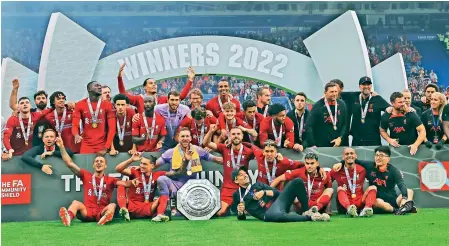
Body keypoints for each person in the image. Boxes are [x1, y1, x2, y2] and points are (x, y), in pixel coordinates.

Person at [56, 137, 138, 226]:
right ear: (93, 165)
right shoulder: (86, 176)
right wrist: (61, 147)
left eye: (101, 162)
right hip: (87, 212)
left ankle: (105, 218)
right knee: (75, 203)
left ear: (105, 166)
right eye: (96, 161)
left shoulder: (110, 180)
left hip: (101, 212)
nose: (98, 163)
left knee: (112, 205)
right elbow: (69, 163)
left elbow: (125, 183)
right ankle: (68, 218)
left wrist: (132, 182)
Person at [152, 128, 223, 222]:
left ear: (190, 138)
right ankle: (162, 212)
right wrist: (141, 167)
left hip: (192, 187)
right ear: (178, 138)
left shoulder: (197, 150)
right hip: (176, 185)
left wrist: (229, 158)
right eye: (182, 136)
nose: (185, 138)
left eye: (187, 136)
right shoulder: (171, 152)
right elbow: (154, 165)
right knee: (162, 179)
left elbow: (215, 159)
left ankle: (188, 210)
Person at [333, 146, 416, 215]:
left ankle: (404, 206)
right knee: (378, 202)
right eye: (376, 155)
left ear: (388, 159)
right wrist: (341, 163)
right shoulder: (369, 166)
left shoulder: (394, 171)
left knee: (409, 191)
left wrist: (404, 197)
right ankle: (398, 210)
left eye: (381, 155)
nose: (378, 158)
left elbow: (401, 184)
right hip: (377, 201)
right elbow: (352, 159)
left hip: (393, 200)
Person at [231, 166, 330, 222]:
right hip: (267, 214)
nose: (245, 175)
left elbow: (278, 193)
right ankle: (310, 217)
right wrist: (240, 213)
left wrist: (264, 192)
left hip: (278, 204)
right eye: (240, 174)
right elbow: (241, 218)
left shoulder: (258, 185)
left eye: (245, 173)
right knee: (273, 215)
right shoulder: (237, 195)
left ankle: (306, 211)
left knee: (297, 181)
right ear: (236, 180)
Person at [203, 125, 255, 216]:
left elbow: (263, 154)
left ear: (242, 136)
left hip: (244, 188)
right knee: (220, 212)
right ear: (229, 136)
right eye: (233, 134)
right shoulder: (224, 148)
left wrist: (247, 144)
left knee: (249, 212)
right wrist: (211, 131)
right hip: (228, 189)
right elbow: (206, 143)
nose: (236, 136)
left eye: (238, 134)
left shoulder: (249, 151)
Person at [117, 64, 193, 113]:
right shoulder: (139, 99)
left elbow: (180, 97)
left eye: (155, 83)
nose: (154, 85)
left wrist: (190, 80)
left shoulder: (162, 99)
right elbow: (123, 95)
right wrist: (120, 78)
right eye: (151, 83)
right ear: (145, 87)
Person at [115, 152, 166, 221]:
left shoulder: (158, 175)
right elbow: (118, 169)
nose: (141, 166)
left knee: (164, 195)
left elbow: (173, 174)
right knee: (121, 185)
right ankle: (124, 209)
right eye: (141, 163)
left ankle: (160, 214)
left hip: (148, 207)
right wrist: (131, 160)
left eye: (144, 164)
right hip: (131, 207)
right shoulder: (135, 172)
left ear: (152, 166)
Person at [330, 148, 377, 217]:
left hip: (360, 201)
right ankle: (349, 209)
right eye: (347, 154)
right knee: (340, 188)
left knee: (373, 187)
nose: (349, 155)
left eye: (351, 153)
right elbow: (325, 181)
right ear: (343, 157)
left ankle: (367, 209)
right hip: (345, 204)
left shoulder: (362, 169)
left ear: (355, 156)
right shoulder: (337, 170)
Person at [72, 81, 116, 154]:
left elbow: (112, 128)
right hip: (86, 145)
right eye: (96, 86)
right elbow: (74, 124)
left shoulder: (107, 104)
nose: (99, 87)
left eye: (100, 86)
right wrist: (76, 135)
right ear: (89, 89)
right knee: (85, 165)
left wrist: (106, 148)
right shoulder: (80, 104)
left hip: (102, 144)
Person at [348, 77, 391, 146]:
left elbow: (390, 109)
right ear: (359, 86)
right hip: (357, 139)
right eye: (363, 84)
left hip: (373, 138)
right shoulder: (353, 97)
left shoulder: (377, 98)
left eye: (368, 84)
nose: (366, 86)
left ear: (371, 86)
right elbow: (338, 95)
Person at [306, 82, 348, 147]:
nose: (334, 94)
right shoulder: (317, 106)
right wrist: (312, 144)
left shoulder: (342, 104)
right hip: (321, 145)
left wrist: (340, 138)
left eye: (335, 91)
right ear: (325, 93)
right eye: (331, 92)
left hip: (337, 144)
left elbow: (344, 124)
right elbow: (309, 126)